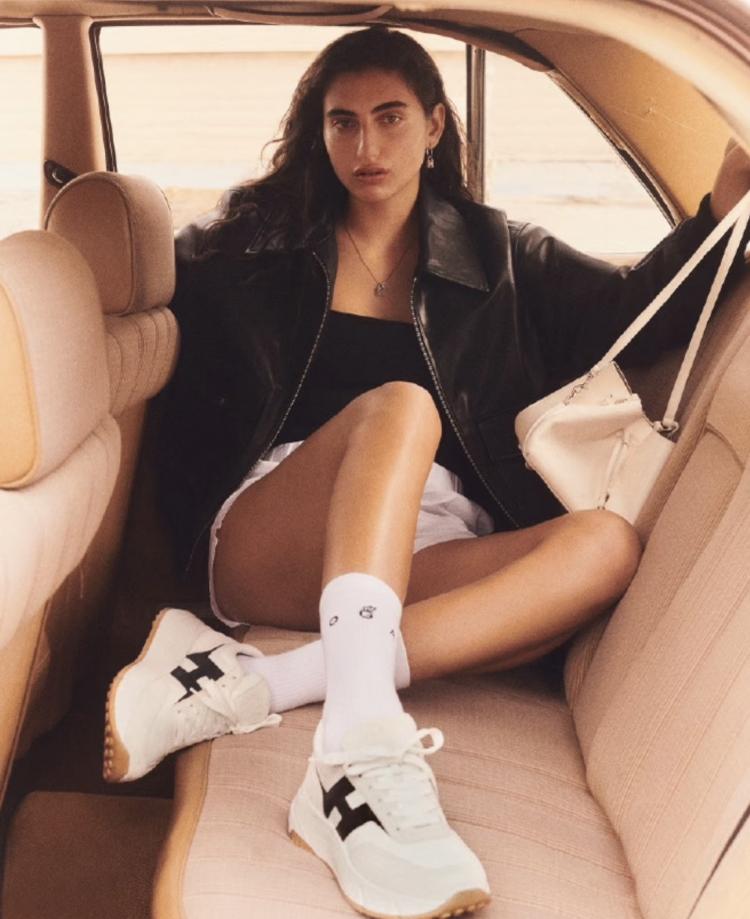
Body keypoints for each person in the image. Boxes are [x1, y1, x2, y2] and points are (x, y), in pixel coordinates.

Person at [102, 27, 750, 919]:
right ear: (319, 132)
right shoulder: (255, 245)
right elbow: (136, 289)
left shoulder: (500, 256)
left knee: (607, 545)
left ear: (435, 126)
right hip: (273, 531)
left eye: (391, 117)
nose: (366, 146)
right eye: (343, 122)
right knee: (404, 407)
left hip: (420, 544)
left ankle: (262, 682)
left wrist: (722, 212)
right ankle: (359, 746)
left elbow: (632, 313)